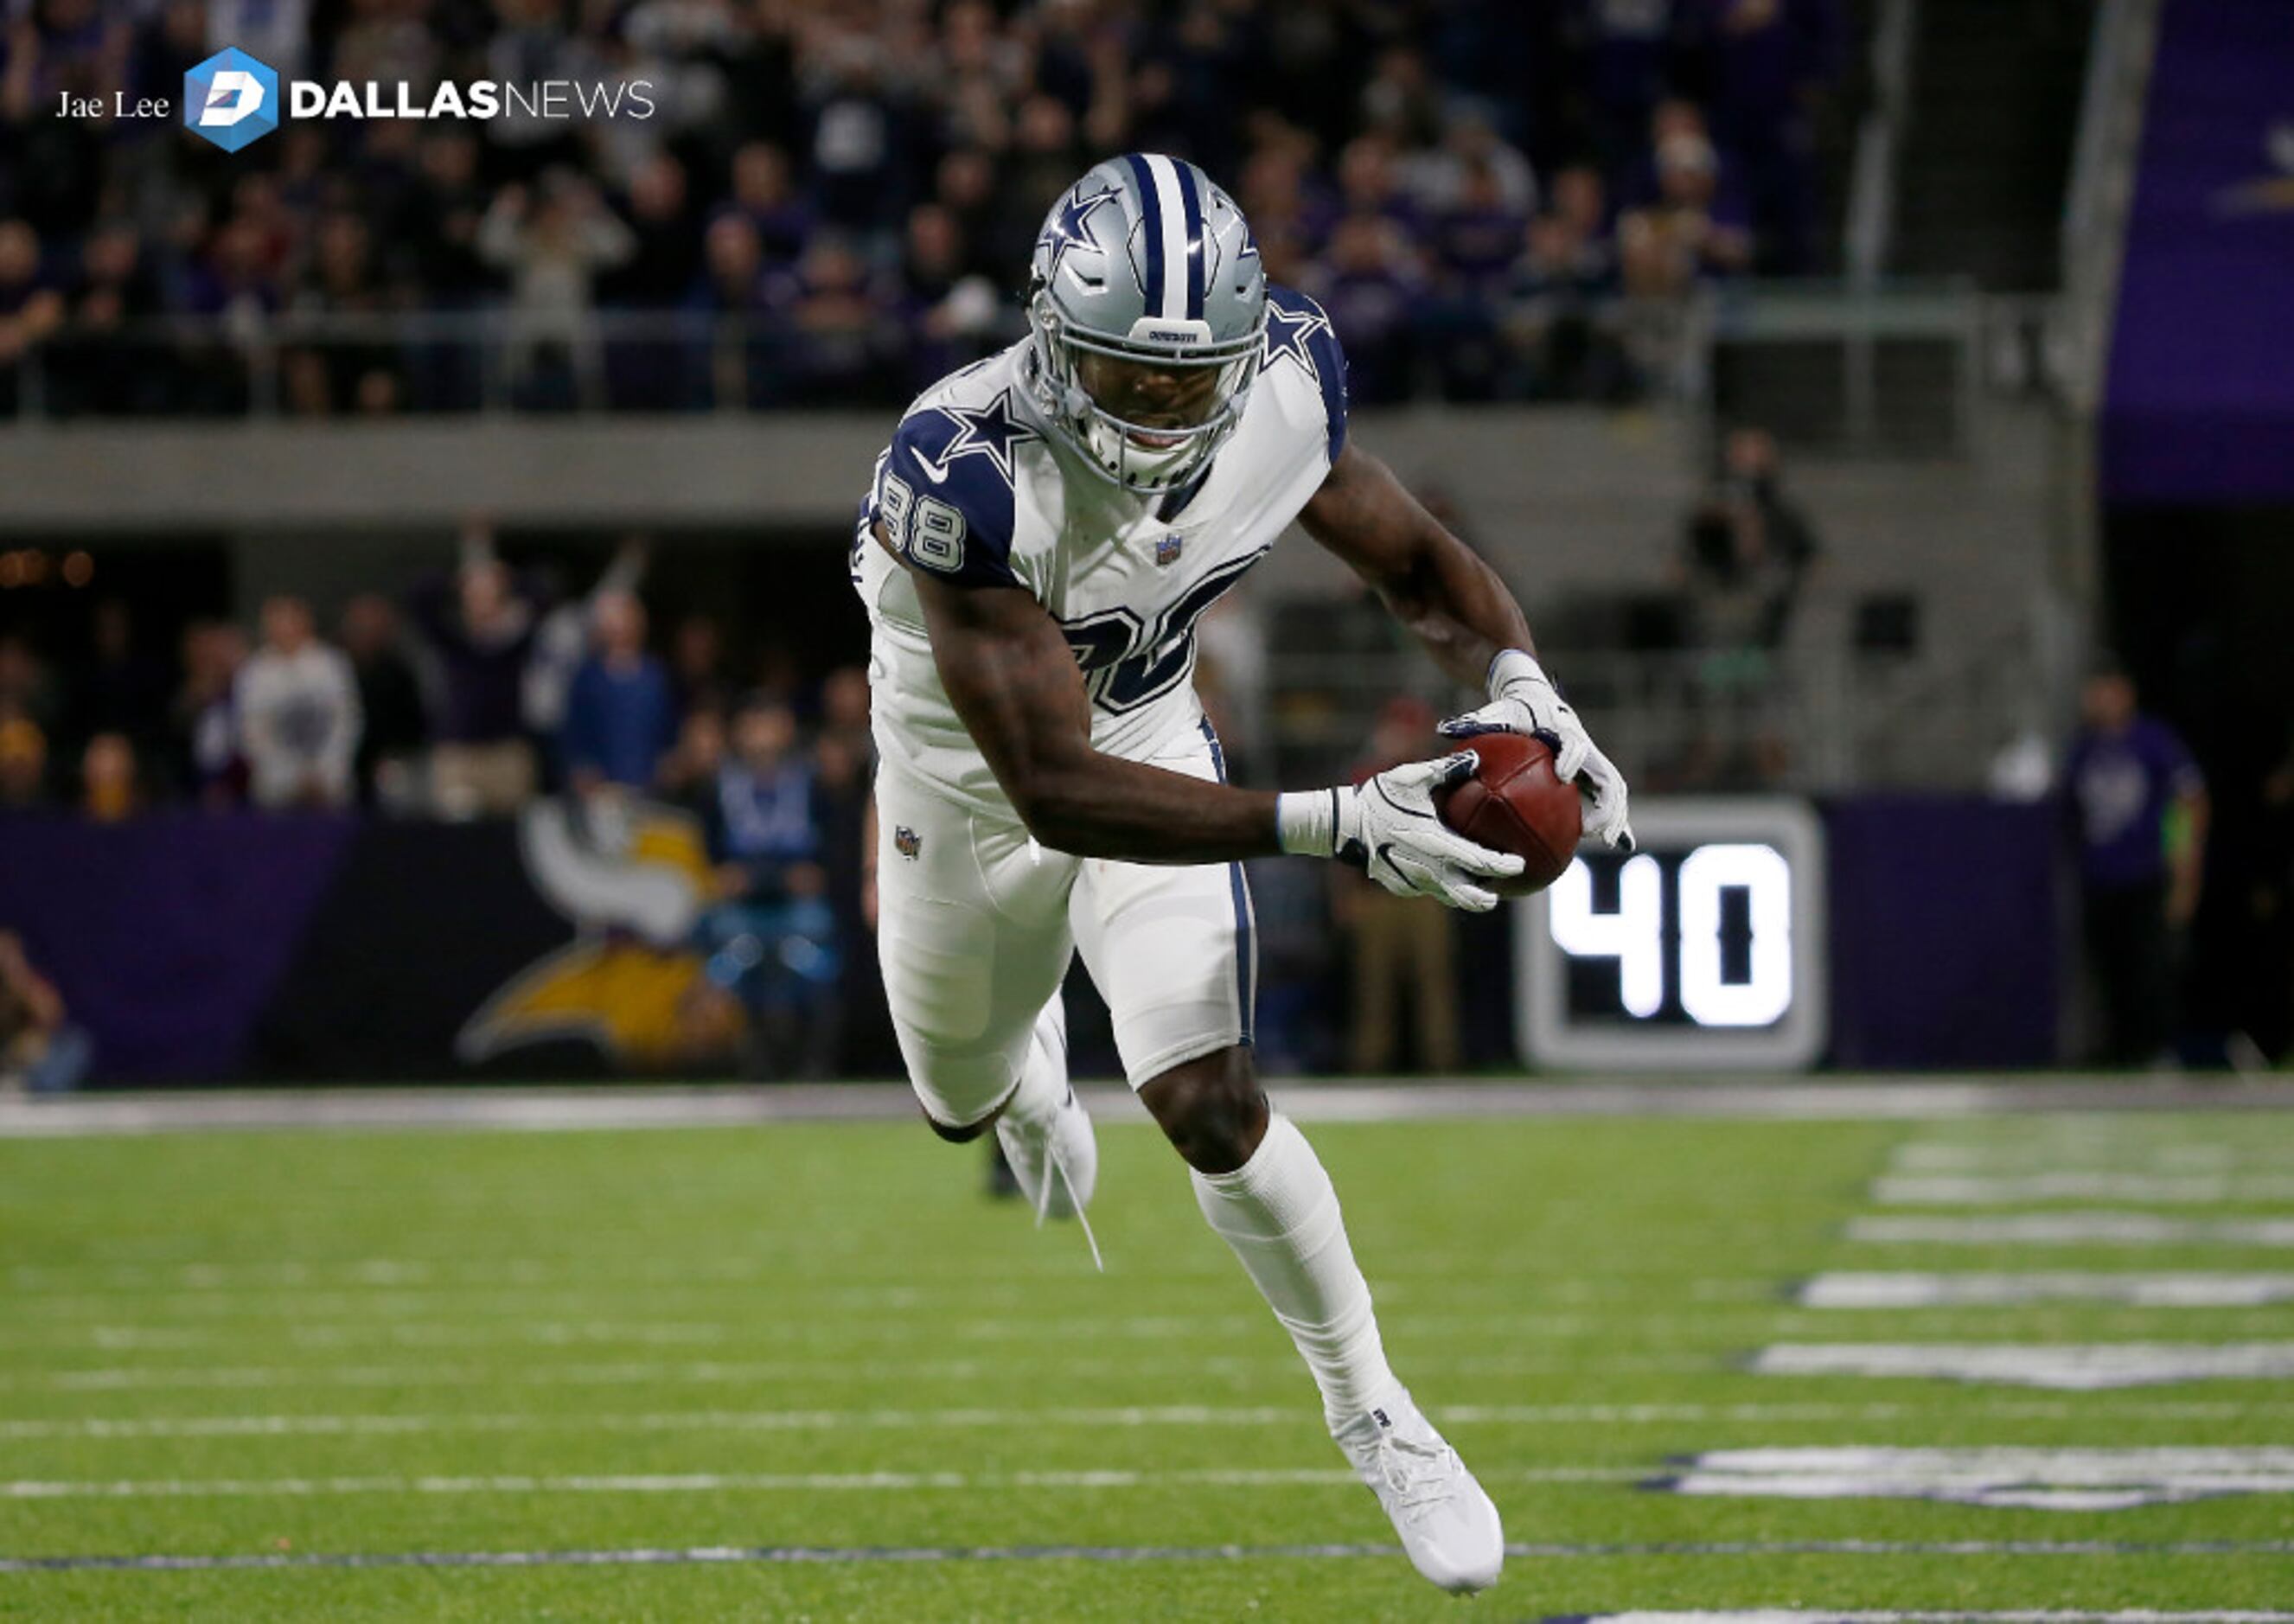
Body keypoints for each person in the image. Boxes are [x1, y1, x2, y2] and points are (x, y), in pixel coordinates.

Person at [853, 153, 1633, 1596]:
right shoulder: (958, 467)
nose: (1158, 407)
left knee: (1208, 1098)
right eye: (1125, 378)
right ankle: (1025, 1063)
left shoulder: (1282, 384)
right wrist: (1337, 823)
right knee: (957, 1099)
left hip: (1148, 734)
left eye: (1184, 380)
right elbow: (1050, 787)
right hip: (973, 801)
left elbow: (1414, 566)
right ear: (1048, 333)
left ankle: (1373, 1408)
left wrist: (1529, 686)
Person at [2066, 664, 2208, 1065]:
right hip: (2099, 875)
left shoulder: (2154, 740)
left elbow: (2190, 799)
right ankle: (2120, 1050)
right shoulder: (2085, 747)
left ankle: (2157, 1049)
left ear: (2126, 693)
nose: (2101, 700)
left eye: (2108, 691)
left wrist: (2184, 863)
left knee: (2149, 964)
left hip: (2146, 872)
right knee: (2107, 966)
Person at [235, 596, 362, 810]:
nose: (285, 628)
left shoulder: (332, 664)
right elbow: (253, 731)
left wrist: (326, 772)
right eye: (277, 621)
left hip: (330, 786)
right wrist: (290, 778)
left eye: (291, 619)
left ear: (306, 621)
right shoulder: (254, 672)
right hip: (276, 790)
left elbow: (346, 721)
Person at [559, 589, 678, 796]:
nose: (619, 628)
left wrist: (669, 761)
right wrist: (582, 768)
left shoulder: (656, 676)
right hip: (600, 787)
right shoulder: (587, 677)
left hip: (649, 783)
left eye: (625, 619)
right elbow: (574, 731)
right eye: (612, 622)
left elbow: (669, 725)